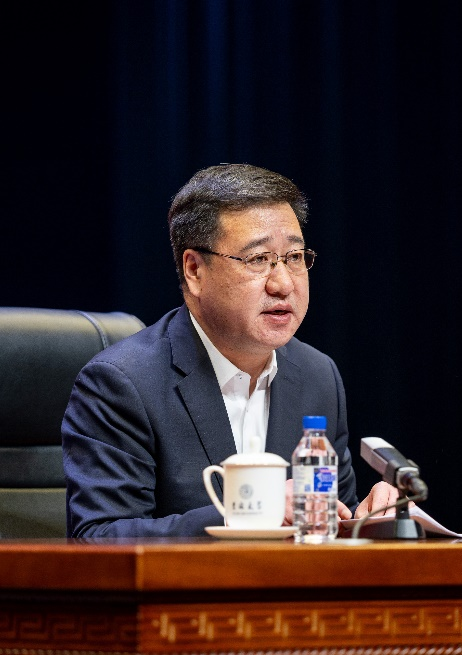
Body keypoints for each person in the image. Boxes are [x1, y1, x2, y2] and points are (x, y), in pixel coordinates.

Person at [62, 163, 399, 537]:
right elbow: (99, 538)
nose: (283, 284)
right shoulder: (123, 383)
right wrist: (249, 512)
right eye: (258, 259)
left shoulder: (317, 376)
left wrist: (370, 521)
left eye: (294, 257)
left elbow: (327, 527)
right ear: (195, 270)